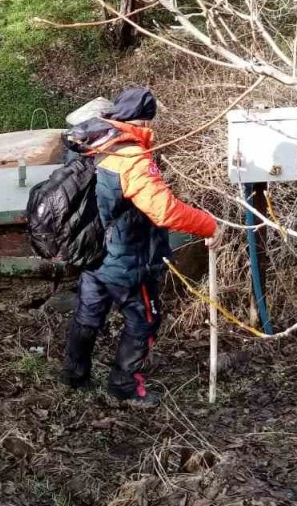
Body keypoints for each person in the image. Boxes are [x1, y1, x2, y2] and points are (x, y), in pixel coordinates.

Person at [60, 87, 220, 408]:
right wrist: (209, 226)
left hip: (92, 253)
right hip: (128, 263)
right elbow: (165, 210)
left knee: (89, 314)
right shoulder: (131, 158)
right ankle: (124, 386)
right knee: (143, 320)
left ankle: (74, 374)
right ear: (144, 121)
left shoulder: (89, 143)